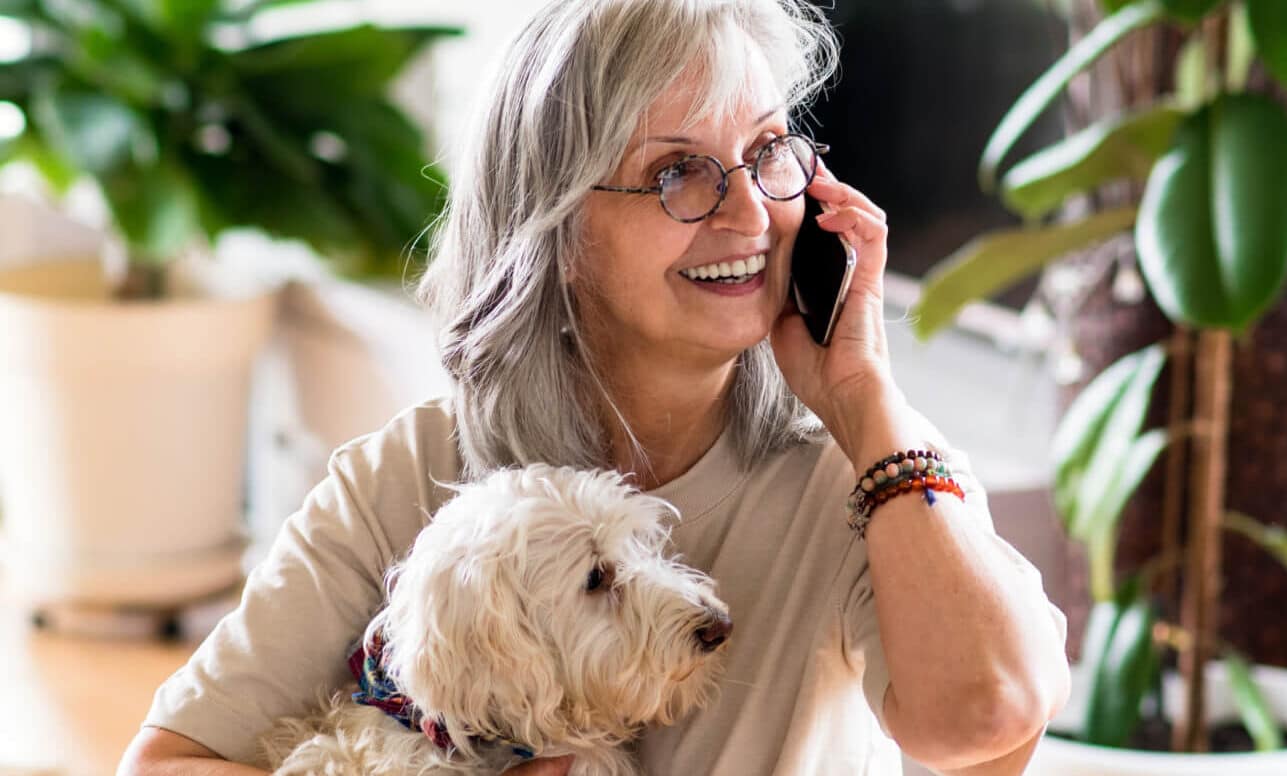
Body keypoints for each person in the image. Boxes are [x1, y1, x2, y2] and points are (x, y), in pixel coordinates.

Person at [119, 0, 1070, 774]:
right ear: (558, 234)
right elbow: (168, 764)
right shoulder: (412, 473)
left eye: (769, 151)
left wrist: (864, 398)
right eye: (676, 174)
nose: (748, 212)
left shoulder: (879, 474)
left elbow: (985, 722)